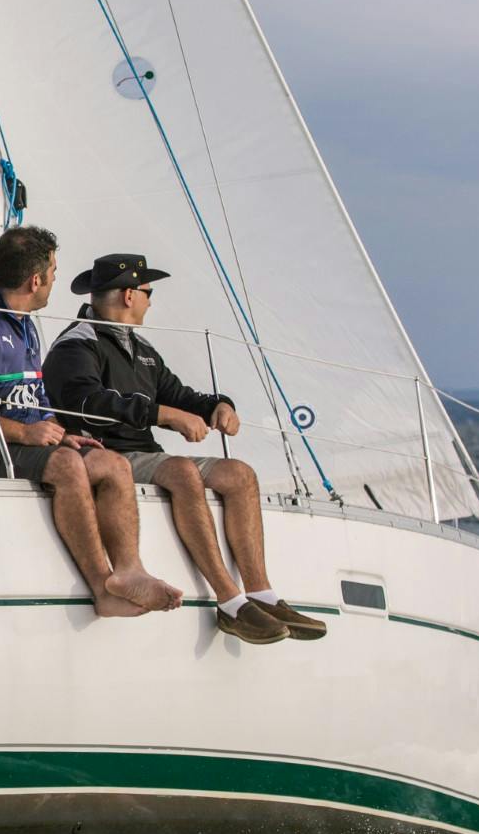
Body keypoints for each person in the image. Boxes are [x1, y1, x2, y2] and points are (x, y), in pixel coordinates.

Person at [42, 253, 326, 645]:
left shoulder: (140, 348)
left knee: (240, 475)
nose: (150, 301)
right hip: (105, 454)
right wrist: (162, 415)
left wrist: (218, 405)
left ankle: (262, 594)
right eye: (148, 292)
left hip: (145, 454)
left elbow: (180, 394)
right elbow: (87, 404)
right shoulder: (76, 344)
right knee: (181, 471)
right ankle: (230, 603)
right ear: (129, 295)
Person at [0, 226, 183, 618]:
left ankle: (129, 571)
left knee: (111, 462)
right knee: (66, 466)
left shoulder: (26, 323)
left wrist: (62, 433)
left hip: (22, 444)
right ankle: (103, 589)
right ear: (35, 280)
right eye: (53, 274)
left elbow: (38, 399)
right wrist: (27, 432)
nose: (54, 283)